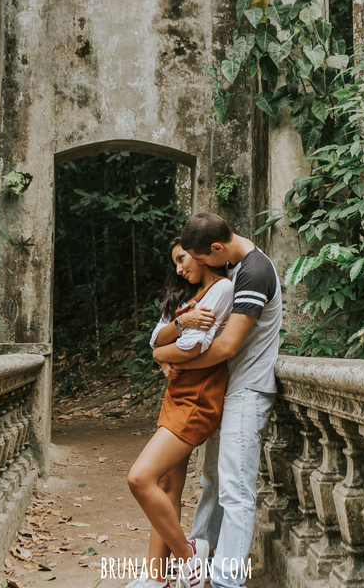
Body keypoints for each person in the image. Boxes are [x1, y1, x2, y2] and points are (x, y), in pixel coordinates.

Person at [164, 212, 282, 588]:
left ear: (216, 248)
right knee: (213, 481)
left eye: (202, 259)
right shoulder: (234, 268)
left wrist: (177, 361)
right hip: (227, 390)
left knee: (236, 488)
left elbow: (228, 345)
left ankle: (227, 580)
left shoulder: (254, 272)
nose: (200, 266)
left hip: (249, 389)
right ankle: (199, 559)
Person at [126, 238, 234, 588]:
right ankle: (156, 578)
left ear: (202, 254)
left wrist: (163, 354)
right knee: (167, 484)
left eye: (182, 258)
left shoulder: (221, 289)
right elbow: (155, 337)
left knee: (140, 478)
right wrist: (180, 324)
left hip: (197, 399)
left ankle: (188, 557)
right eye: (175, 261)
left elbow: (191, 346)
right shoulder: (186, 299)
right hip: (177, 396)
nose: (178, 268)